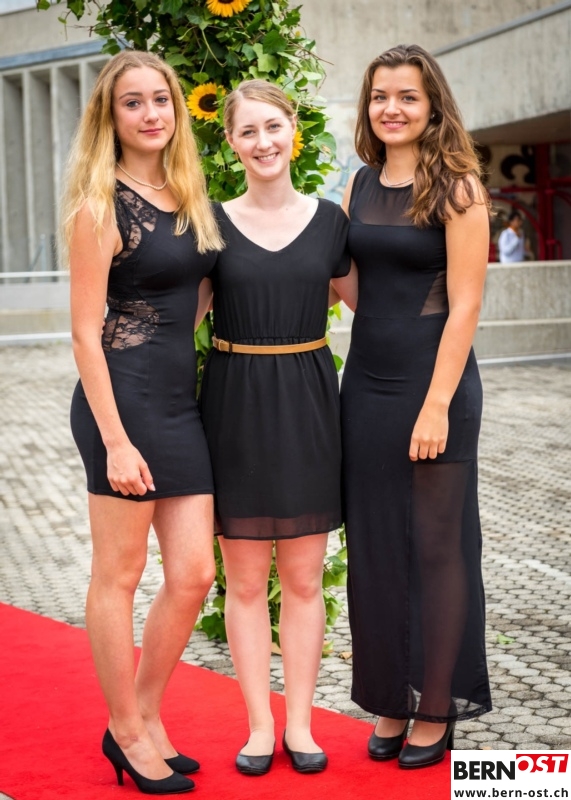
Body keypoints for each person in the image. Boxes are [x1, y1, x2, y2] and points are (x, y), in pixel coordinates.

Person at [66, 50, 223, 794]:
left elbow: (193, 297)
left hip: (177, 401)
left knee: (193, 574)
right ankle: (126, 731)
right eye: (133, 102)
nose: (151, 113)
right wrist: (116, 441)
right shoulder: (100, 204)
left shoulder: (188, 193)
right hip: (120, 404)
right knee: (119, 574)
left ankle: (145, 714)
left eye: (161, 99)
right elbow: (82, 333)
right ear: (111, 115)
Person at [335, 43, 492, 769]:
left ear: (432, 107)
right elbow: (355, 289)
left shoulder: (457, 186)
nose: (390, 108)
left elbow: (465, 307)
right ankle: (391, 698)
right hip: (366, 384)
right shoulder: (358, 184)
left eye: (406, 96)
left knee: (436, 549)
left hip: (438, 386)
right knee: (374, 547)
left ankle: (435, 706)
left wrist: (435, 407)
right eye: (379, 96)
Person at [197, 79, 350, 776]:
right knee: (245, 582)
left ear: (294, 129)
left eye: (273, 126)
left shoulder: (331, 222)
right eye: (248, 131)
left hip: (310, 406)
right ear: (231, 143)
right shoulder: (209, 224)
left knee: (305, 579)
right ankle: (259, 725)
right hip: (234, 406)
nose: (263, 142)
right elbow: (178, 316)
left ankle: (301, 725)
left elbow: (377, 305)